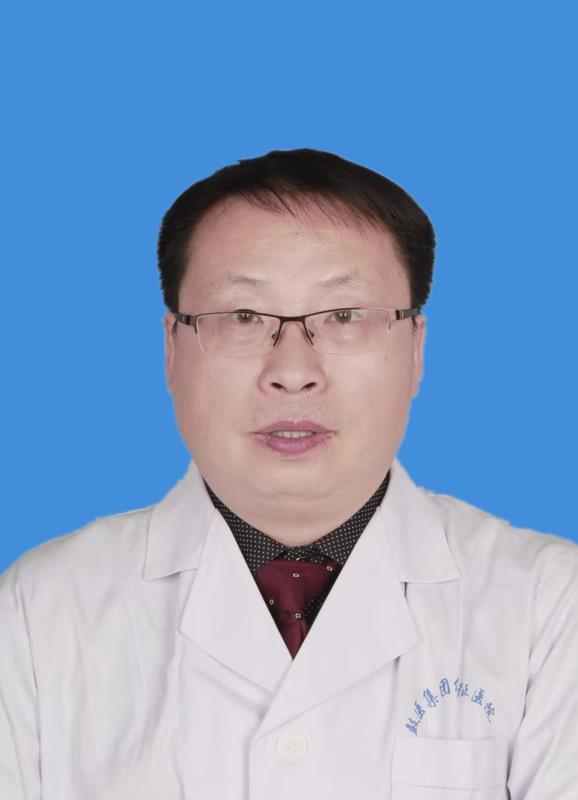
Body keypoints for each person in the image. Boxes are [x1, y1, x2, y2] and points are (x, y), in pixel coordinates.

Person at [0, 148, 576, 800]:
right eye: (243, 317)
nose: (294, 371)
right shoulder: (40, 612)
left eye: (345, 316)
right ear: (171, 350)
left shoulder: (549, 608)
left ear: (416, 349)